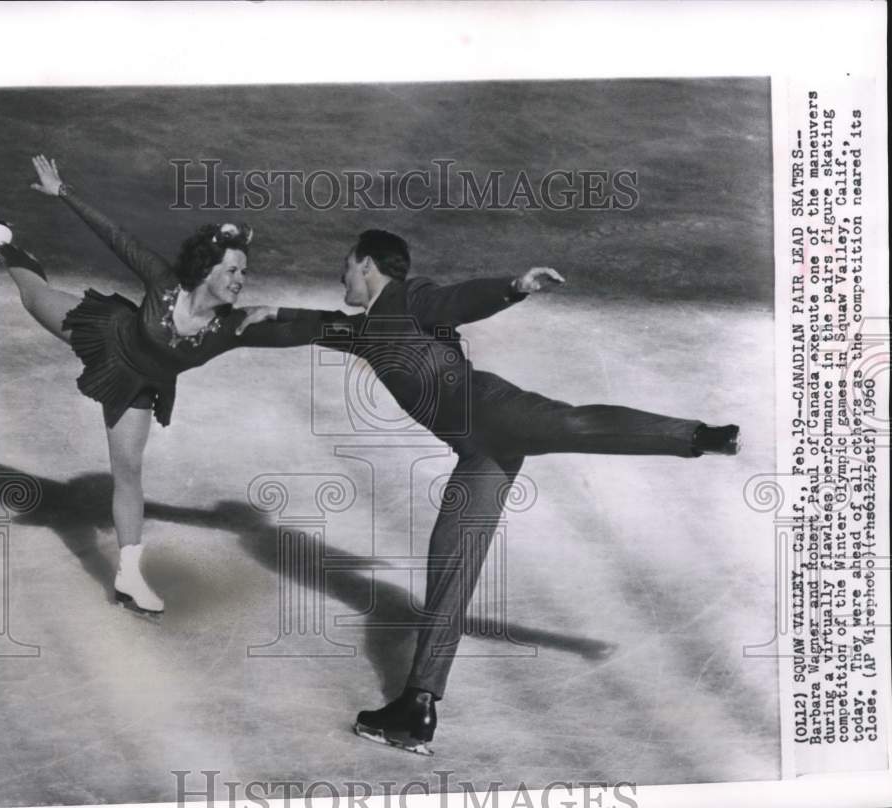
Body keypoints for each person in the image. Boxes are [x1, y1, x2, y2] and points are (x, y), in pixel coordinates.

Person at [245, 229, 740, 755]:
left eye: (345, 265)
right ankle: (416, 705)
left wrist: (513, 286)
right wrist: (250, 319)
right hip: (479, 454)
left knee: (574, 425)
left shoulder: (411, 298)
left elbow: (454, 300)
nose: (339, 275)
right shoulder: (366, 332)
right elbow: (312, 326)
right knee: (450, 566)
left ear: (368, 265)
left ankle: (698, 435)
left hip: (495, 408)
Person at [0, 155, 339, 619]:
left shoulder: (233, 327)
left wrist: (349, 325)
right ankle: (6, 245)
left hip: (139, 385)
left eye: (243, 274)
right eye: (232, 271)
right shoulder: (165, 283)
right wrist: (62, 191)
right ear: (206, 270)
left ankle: (128, 575)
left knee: (127, 470)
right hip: (106, 334)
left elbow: (299, 333)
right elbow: (116, 238)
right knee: (32, 298)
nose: (240, 281)